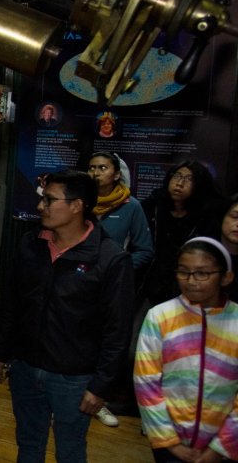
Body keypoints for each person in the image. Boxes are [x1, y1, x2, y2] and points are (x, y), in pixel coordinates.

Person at [0, 169, 134, 463]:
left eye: (50, 200)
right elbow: (12, 304)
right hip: (27, 369)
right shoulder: (31, 244)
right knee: (28, 444)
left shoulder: (110, 259)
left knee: (70, 449)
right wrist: (0, 353)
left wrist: (100, 386)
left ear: (77, 206)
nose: (40, 206)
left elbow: (117, 331)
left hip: (75, 378)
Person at [134, 237, 238, 462]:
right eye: (183, 272)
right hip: (171, 442)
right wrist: (169, 441)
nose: (191, 281)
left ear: (226, 277)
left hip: (225, 445)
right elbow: (146, 382)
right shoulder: (160, 317)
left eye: (202, 273)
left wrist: (222, 446)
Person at [84, 151, 155, 426]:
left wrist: (118, 271)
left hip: (112, 288)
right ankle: (69, 398)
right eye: (91, 167)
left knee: (108, 344)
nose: (95, 172)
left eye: (102, 167)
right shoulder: (81, 201)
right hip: (80, 284)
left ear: (116, 174)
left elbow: (144, 251)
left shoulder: (131, 206)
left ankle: (99, 399)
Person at [142, 161, 226, 306]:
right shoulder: (151, 207)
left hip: (190, 283)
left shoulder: (209, 216)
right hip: (151, 283)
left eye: (189, 179)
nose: (179, 183)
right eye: (177, 176)